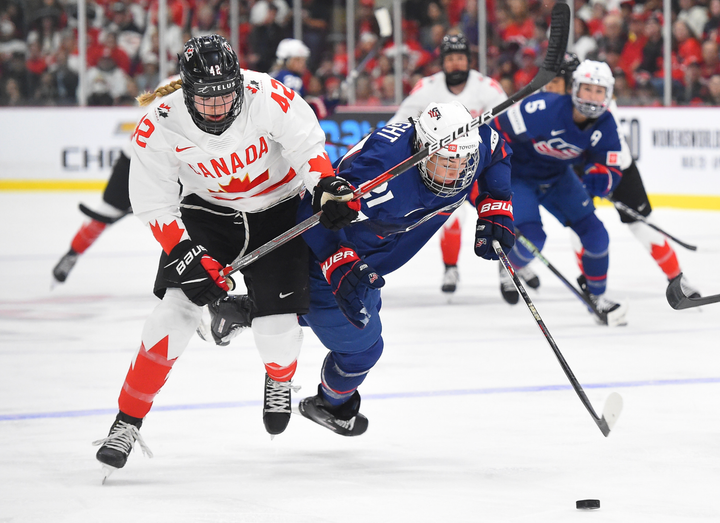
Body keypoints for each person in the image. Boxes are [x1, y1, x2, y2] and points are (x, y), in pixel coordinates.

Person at [92, 34, 359, 479]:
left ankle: (278, 378)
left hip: (279, 212)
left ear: (238, 83)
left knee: (277, 329)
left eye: (225, 97)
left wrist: (326, 186)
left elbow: (308, 147)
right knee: (171, 316)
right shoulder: (159, 121)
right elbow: (154, 202)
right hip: (207, 215)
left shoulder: (266, 93)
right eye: (205, 99)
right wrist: (183, 253)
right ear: (185, 90)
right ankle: (127, 421)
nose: (217, 109)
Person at [209, 100, 515, 435]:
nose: (458, 171)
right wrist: (334, 259)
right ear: (422, 149)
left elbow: (498, 151)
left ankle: (263, 315)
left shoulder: (466, 140)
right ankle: (328, 403)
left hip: (371, 260)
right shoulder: (378, 172)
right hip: (323, 262)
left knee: (355, 321)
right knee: (364, 349)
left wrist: (495, 203)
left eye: (463, 159)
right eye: (446, 161)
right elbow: (309, 212)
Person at [544, 55, 701, 299]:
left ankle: (678, 279)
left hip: (619, 170)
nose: (548, 88)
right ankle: (590, 283)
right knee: (580, 228)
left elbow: (608, 151)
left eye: (554, 83)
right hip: (576, 172)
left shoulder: (601, 107)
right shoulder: (552, 107)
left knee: (643, 227)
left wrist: (601, 173)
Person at [490, 59, 628, 327]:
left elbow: (609, 164)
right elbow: (496, 130)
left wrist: (602, 176)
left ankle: (597, 297)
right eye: (587, 89)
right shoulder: (542, 107)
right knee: (533, 238)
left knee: (597, 236)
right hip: (519, 176)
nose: (592, 97)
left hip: (558, 177)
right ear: (574, 88)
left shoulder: (607, 123)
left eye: (599, 91)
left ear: (609, 94)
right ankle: (510, 268)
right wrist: (491, 172)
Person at [387, 33, 513, 295]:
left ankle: (506, 267)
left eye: (460, 58)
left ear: (469, 60)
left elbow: (507, 126)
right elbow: (399, 124)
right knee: (452, 217)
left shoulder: (486, 87)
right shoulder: (428, 87)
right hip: (444, 168)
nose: (456, 63)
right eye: (450, 58)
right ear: (442, 62)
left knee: (499, 210)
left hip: (482, 167)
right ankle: (450, 267)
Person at [52, 76, 179, 285]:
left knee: (190, 220)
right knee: (105, 213)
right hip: (136, 160)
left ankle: (189, 277)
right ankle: (72, 254)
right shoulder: (172, 91)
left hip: (174, 164)